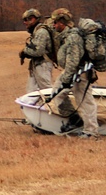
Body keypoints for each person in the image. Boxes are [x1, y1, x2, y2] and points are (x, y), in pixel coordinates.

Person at [48, 9, 99, 138]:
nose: (53, 25)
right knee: (57, 94)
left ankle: (91, 132)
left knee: (85, 101)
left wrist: (67, 77)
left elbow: (73, 60)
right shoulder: (67, 36)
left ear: (62, 22)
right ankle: (75, 120)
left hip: (80, 73)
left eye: (55, 22)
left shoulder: (73, 37)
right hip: (72, 72)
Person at [19, 8, 56, 93]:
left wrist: (25, 52)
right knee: (31, 93)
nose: (24, 22)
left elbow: (38, 51)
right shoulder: (36, 31)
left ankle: (56, 106)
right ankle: (33, 106)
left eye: (26, 20)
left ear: (33, 19)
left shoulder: (41, 31)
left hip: (43, 65)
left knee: (47, 91)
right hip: (37, 65)